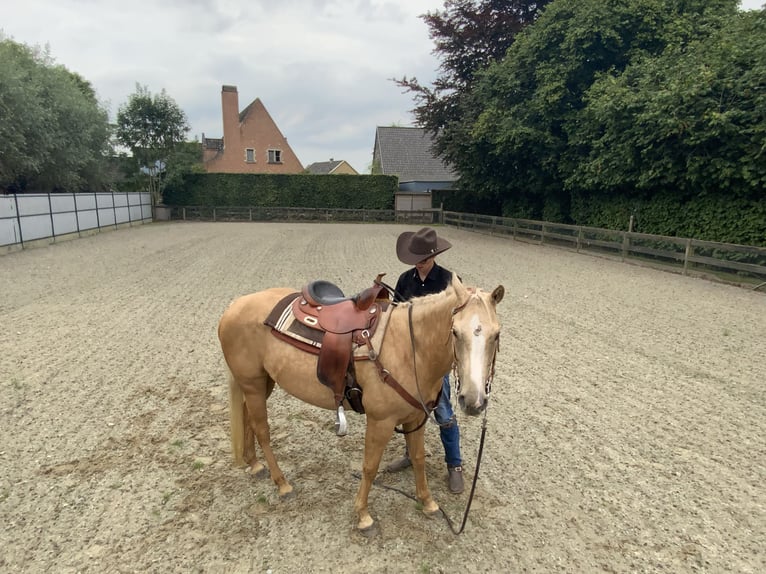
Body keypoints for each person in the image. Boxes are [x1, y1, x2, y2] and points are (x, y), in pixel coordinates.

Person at [384, 227, 464, 494]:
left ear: (434, 255)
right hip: (407, 358)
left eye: (424, 257)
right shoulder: (405, 280)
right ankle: (410, 454)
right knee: (408, 409)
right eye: (416, 257)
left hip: (434, 361)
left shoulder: (450, 282)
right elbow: (394, 316)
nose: (419, 262)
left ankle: (455, 465)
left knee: (443, 412)